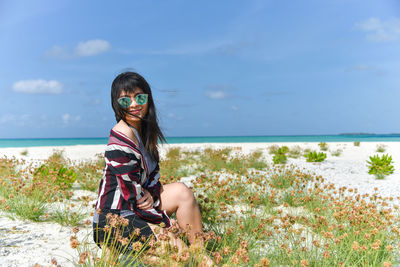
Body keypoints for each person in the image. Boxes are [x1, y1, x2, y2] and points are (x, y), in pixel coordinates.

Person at [93, 71, 209, 264]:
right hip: (116, 218)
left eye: (140, 97)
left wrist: (153, 193)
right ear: (116, 104)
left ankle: (201, 255)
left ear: (148, 98)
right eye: (125, 100)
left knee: (181, 190)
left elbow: (154, 174)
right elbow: (132, 198)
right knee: (180, 257)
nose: (134, 104)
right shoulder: (120, 139)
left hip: (138, 207)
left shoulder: (144, 131)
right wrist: (166, 224)